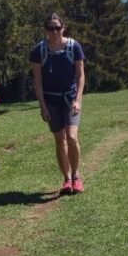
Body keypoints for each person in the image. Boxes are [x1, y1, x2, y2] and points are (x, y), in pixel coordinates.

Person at [31, 13, 86, 196]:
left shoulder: (74, 47)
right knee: (59, 140)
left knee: (71, 137)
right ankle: (66, 178)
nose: (54, 32)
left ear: (64, 28)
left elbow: (80, 75)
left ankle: (76, 176)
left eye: (57, 28)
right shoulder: (39, 50)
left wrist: (78, 99)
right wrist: (42, 106)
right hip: (51, 101)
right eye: (50, 28)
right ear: (45, 30)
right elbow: (37, 81)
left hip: (70, 100)